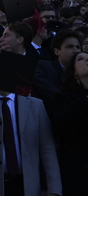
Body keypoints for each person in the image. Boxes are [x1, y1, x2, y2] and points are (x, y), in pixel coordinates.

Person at [0, 42, 61, 195]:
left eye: (4, 67)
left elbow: (47, 150)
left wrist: (55, 190)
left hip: (26, 185)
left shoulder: (35, 105)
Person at [48, 51, 88, 195]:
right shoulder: (63, 98)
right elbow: (63, 125)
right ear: (74, 71)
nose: (87, 61)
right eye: (81, 59)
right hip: (77, 169)